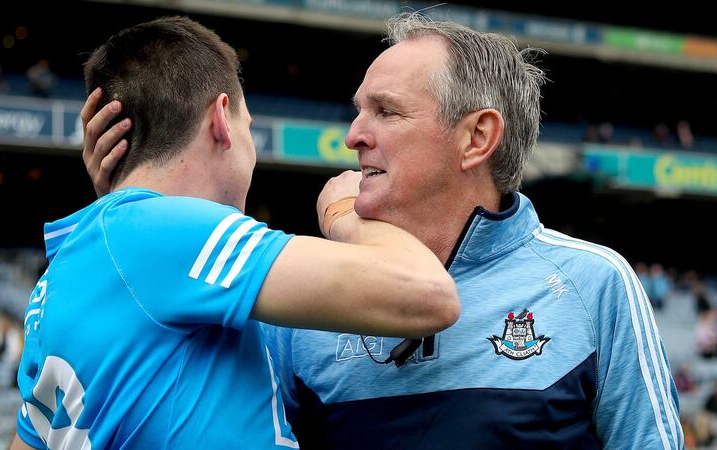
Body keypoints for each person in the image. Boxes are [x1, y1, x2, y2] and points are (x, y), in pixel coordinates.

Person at [84, 12, 682, 450]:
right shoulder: (300, 301)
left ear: (477, 137)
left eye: (386, 111)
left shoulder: (593, 284)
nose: (353, 135)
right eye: (358, 109)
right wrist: (131, 207)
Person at [10, 17, 458, 450]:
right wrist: (343, 211)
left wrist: (124, 202)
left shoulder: (67, 271)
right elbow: (428, 294)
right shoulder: (160, 233)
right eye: (248, 126)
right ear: (221, 119)